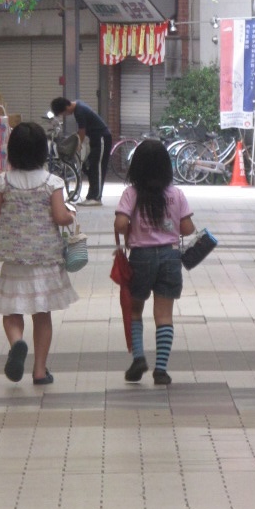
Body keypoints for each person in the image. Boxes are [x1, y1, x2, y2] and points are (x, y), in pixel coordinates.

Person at [0, 119, 78, 386]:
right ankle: (39, 371)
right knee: (42, 315)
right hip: (45, 260)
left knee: (12, 312)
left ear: (12, 151)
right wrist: (71, 216)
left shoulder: (2, 182)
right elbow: (59, 217)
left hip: (14, 260)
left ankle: (17, 343)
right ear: (42, 152)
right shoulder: (52, 182)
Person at [113, 138, 195, 386]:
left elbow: (120, 224)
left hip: (141, 258)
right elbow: (188, 228)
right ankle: (161, 369)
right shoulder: (176, 194)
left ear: (136, 167)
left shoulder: (131, 194)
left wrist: (126, 228)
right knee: (164, 314)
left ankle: (138, 357)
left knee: (135, 309)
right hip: (170, 257)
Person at [50, 95, 112, 205]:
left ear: (65, 107)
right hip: (95, 139)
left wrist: (78, 146)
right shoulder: (78, 104)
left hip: (102, 138)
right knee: (91, 167)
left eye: (63, 113)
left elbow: (82, 132)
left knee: (98, 167)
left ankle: (96, 198)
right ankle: (91, 196)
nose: (65, 115)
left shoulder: (79, 111)